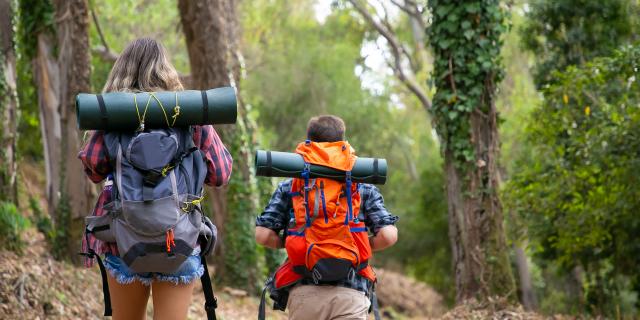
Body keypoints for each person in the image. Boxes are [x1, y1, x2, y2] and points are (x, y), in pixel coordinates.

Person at [78, 38, 232, 320]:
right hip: (179, 237)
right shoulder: (189, 113)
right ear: (166, 69)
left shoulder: (114, 115)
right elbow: (220, 173)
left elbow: (92, 167)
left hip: (123, 240)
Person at [255, 115, 398, 320]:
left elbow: (262, 235)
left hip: (304, 292)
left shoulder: (292, 186)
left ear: (309, 142)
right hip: (351, 292)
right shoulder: (362, 186)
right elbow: (388, 236)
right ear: (342, 141)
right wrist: (356, 245)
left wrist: (295, 242)